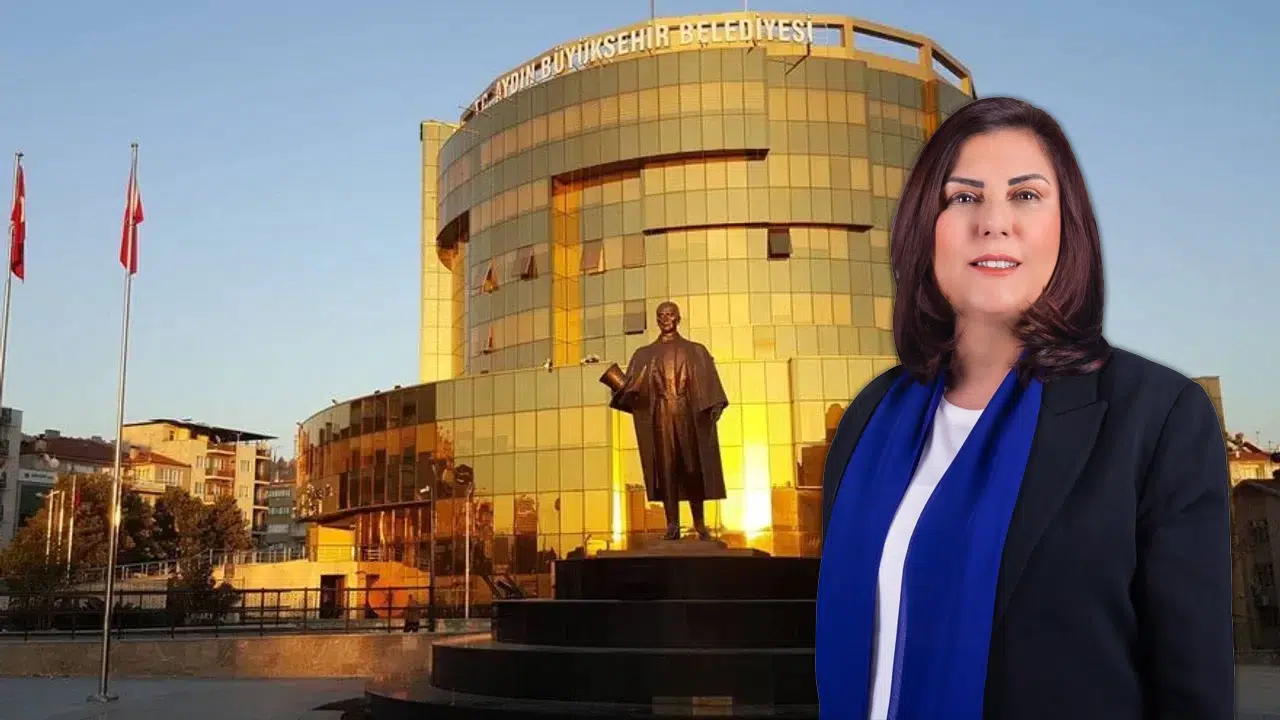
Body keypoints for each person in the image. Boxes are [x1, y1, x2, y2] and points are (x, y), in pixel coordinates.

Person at [816, 96, 1233, 720]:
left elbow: (1192, 693)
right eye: (963, 197)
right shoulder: (871, 417)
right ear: (924, 227)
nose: (994, 222)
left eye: (1026, 195)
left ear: (1068, 226)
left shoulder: (1157, 417)